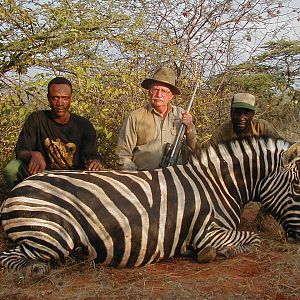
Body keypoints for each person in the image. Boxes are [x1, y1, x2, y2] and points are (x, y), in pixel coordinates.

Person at [3, 76, 103, 189]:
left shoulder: (83, 125)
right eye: (55, 98)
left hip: (73, 177)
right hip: (42, 174)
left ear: (71, 99)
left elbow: (92, 155)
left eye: (64, 98)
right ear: (48, 98)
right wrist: (33, 154)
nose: (60, 103)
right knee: (12, 168)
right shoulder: (36, 119)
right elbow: (20, 152)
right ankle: (18, 199)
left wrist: (94, 162)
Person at [115, 67, 197, 171]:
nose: (159, 95)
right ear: (149, 92)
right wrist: (137, 179)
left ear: (171, 96)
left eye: (164, 91)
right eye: (155, 90)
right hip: (144, 181)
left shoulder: (182, 115)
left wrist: (189, 128)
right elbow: (123, 155)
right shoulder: (135, 116)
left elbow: (196, 149)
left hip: (176, 180)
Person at [205, 92, 281, 148]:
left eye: (246, 113)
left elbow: (282, 149)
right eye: (237, 113)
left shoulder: (263, 128)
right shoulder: (221, 133)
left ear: (253, 114)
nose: (241, 118)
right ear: (231, 112)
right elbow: (207, 153)